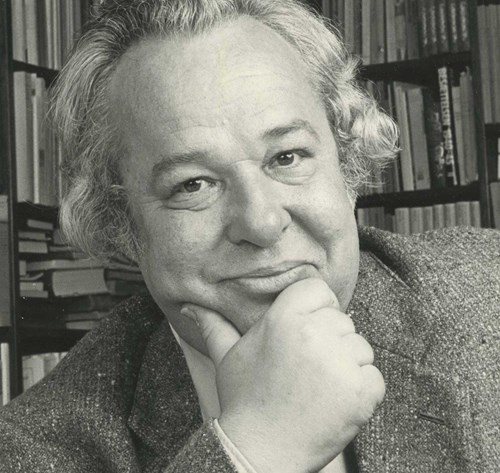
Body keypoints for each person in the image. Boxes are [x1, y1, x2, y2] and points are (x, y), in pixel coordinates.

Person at [1, 0, 499, 472]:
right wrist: (253, 451)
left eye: (287, 157)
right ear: (120, 222)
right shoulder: (34, 451)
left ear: (346, 163)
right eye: (193, 184)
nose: (261, 223)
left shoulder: (488, 300)